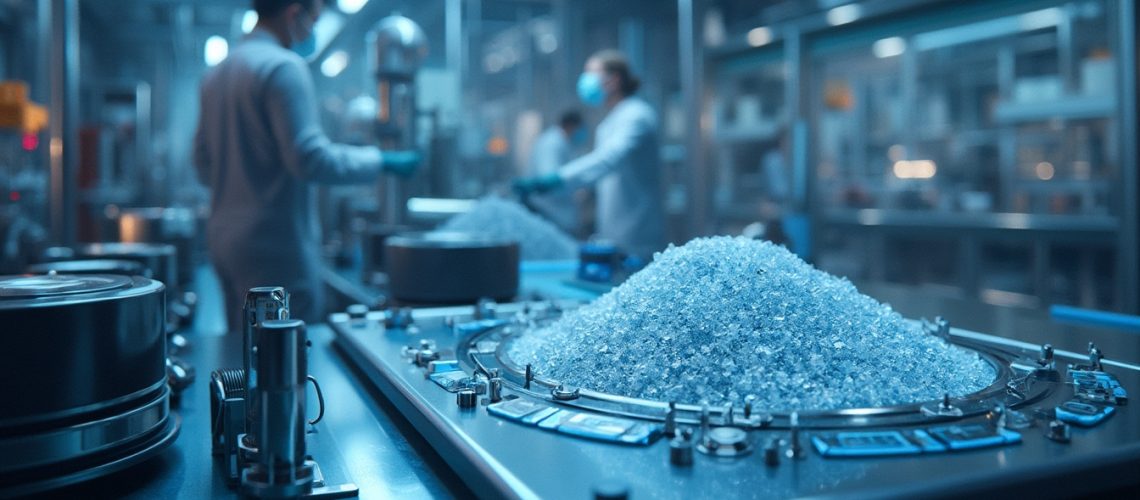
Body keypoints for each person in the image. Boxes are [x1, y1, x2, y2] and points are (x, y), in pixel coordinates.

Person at [193, 0, 420, 333]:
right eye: (313, 19)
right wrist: (380, 160)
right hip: (273, 249)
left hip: (223, 240)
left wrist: (242, 176)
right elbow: (309, 159)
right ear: (294, 12)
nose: (312, 30)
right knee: (285, 358)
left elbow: (200, 164)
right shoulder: (283, 66)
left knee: (241, 353)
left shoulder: (216, 75)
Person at [513, 50, 666, 259]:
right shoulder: (612, 121)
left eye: (591, 73)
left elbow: (607, 159)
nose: (585, 80)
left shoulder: (637, 115)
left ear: (613, 80)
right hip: (614, 233)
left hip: (637, 234)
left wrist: (557, 179)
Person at [527, 110, 586, 235]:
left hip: (559, 212)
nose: (581, 133)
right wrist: (575, 189)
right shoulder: (551, 143)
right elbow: (549, 179)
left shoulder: (564, 143)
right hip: (549, 211)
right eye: (579, 128)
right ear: (570, 125)